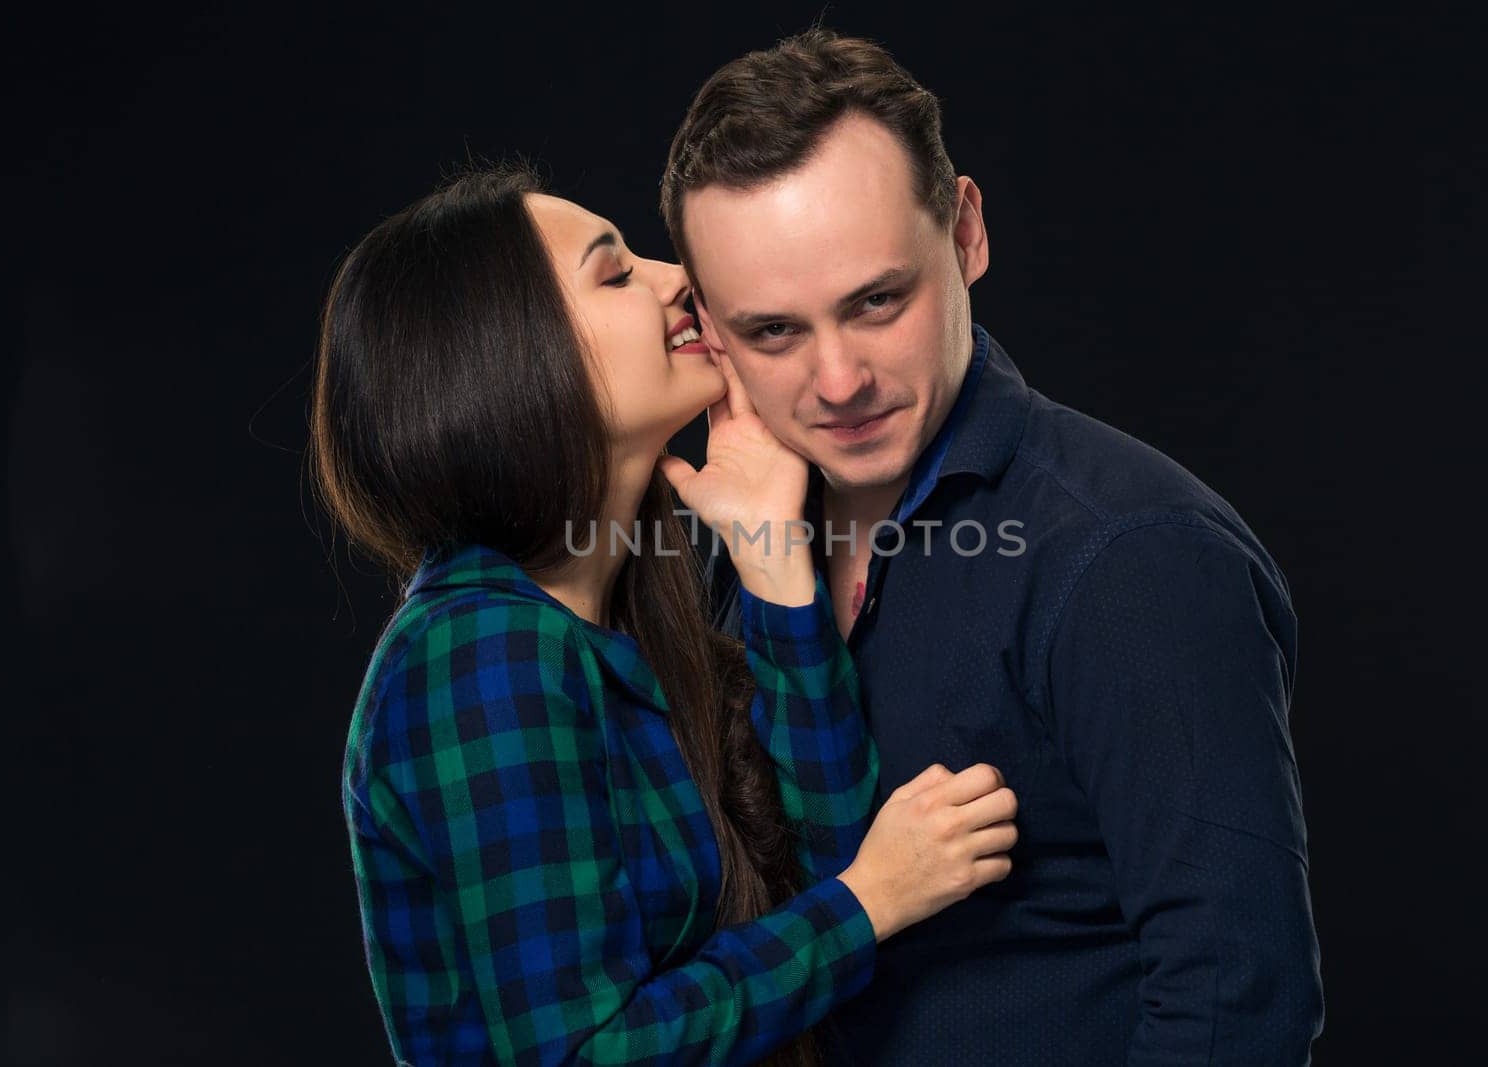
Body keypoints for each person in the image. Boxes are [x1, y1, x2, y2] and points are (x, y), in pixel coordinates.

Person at [661, 29, 1326, 1064]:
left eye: (877, 301)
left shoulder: (1129, 555)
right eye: (774, 332)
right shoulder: (725, 548)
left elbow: (1234, 1002)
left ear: (964, 233)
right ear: (705, 325)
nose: (838, 381)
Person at [309, 164, 1020, 1066]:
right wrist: (871, 903)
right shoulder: (476, 652)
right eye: (616, 273)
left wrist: (771, 554)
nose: (676, 275)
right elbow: (582, 1053)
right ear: (509, 358)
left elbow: (827, 852)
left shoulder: (625, 618)